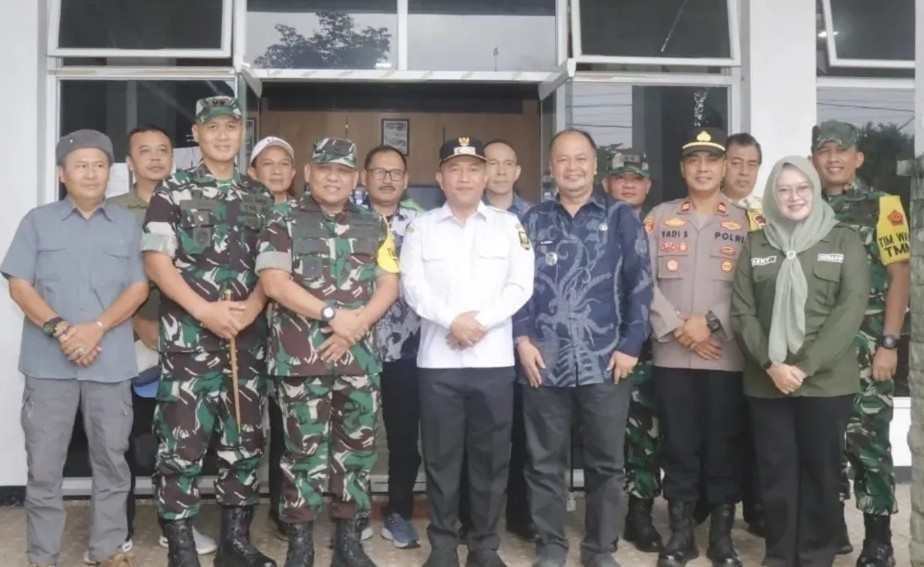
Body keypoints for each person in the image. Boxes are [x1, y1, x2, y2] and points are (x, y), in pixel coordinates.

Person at [2, 129, 149, 567]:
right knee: (44, 467)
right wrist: (63, 330)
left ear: (110, 173)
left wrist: (96, 329)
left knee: (112, 461)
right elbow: (19, 285)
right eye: (81, 165)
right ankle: (42, 556)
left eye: (99, 165)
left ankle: (107, 549)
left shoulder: (127, 225)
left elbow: (138, 288)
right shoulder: (37, 221)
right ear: (62, 174)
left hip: (110, 362)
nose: (91, 173)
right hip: (49, 364)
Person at [142, 96, 276, 567]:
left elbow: (273, 266)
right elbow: (156, 262)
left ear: (242, 134)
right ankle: (181, 547)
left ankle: (235, 544)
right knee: (181, 445)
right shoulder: (172, 190)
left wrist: (251, 309)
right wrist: (205, 311)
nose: (222, 135)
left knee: (244, 443)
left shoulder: (259, 195)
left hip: (246, 341)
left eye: (231, 127)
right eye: (212, 127)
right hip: (190, 344)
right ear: (196, 134)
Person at [257, 137, 399, 567]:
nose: (334, 178)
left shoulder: (374, 223)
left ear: (355, 179)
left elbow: (389, 283)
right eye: (325, 169)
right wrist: (333, 315)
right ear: (309, 173)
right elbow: (274, 283)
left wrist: (356, 325)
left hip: (357, 359)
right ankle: (300, 543)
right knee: (301, 455)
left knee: (356, 453)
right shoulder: (281, 219)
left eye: (343, 171)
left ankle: (348, 542)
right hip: (302, 360)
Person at [514, 129, 652, 567]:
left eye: (580, 159)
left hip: (606, 361)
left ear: (595, 166)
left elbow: (640, 284)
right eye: (563, 159)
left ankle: (599, 549)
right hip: (544, 360)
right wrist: (521, 339)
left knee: (606, 464)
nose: (571, 167)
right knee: (544, 463)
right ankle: (551, 546)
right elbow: (516, 287)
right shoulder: (532, 220)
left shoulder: (621, 217)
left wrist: (631, 344)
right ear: (550, 167)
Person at [401, 136, 534, 567]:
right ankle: (442, 546)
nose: (464, 177)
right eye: (454, 169)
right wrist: (451, 321)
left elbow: (521, 285)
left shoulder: (508, 226)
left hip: (492, 362)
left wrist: (479, 323)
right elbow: (412, 286)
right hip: (438, 364)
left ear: (486, 176)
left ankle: (484, 546)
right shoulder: (420, 228)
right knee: (441, 459)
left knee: (491, 461)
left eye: (473, 169)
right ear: (440, 178)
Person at [731, 156, 870, 566]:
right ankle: (779, 555)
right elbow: (743, 312)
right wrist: (771, 364)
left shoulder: (843, 240)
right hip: (768, 381)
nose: (794, 197)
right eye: (784, 189)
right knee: (775, 474)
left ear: (814, 189)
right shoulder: (757, 243)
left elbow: (850, 311)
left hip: (826, 382)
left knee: (821, 473)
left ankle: (815, 556)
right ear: (773, 196)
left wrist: (804, 366)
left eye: (802, 187)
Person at [104, 125, 218, 562]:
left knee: (181, 440)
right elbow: (103, 279)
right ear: (129, 162)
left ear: (175, 157)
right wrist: (137, 322)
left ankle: (177, 529)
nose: (155, 158)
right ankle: (120, 529)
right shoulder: (114, 212)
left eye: (163, 150)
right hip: (126, 338)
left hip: (186, 338)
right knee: (125, 440)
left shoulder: (191, 203)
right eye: (144, 151)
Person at [644, 128, 747, 567]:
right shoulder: (661, 216)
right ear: (683, 168)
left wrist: (708, 324)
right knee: (678, 445)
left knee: (724, 446)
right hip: (672, 353)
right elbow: (642, 280)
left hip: (724, 354)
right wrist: (678, 328)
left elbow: (753, 285)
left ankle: (722, 538)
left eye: (712, 160)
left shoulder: (746, 221)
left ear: (724, 169)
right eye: (694, 161)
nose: (702, 168)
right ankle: (681, 534)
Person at [811, 120, 911, 566]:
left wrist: (889, 342)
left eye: (842, 150)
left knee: (869, 442)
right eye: (825, 151)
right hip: (816, 350)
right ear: (813, 158)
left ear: (858, 158)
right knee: (822, 440)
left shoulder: (883, 206)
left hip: (868, 346)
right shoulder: (803, 205)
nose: (833, 158)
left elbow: (899, 275)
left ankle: (878, 538)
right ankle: (831, 529)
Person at [359, 145, 426, 549]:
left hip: (408, 349)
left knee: (403, 437)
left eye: (395, 172)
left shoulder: (423, 225)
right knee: (354, 436)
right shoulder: (346, 220)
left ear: (406, 180)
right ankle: (354, 513)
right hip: (355, 346)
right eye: (379, 171)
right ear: (364, 176)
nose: (387, 179)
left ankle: (399, 512)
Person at [602, 148, 663, 553]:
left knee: (645, 434)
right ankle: (602, 516)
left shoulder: (664, 225)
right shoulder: (595, 223)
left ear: (648, 185)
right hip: (603, 347)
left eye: (636, 178)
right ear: (606, 183)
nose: (628, 185)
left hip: (656, 348)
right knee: (604, 437)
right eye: (620, 177)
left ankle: (640, 513)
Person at [246, 135, 298, 540]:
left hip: (293, 339)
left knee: (287, 427)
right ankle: (238, 516)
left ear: (295, 173)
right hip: (244, 331)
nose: (277, 171)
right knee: (245, 426)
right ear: (252, 172)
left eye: (284, 164)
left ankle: (286, 509)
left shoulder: (306, 214)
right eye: (268, 163)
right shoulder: (240, 214)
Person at [720, 132, 767, 538]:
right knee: (722, 430)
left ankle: (757, 507)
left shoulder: (770, 214)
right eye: (736, 162)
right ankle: (713, 507)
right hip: (714, 342)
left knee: (757, 430)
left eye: (752, 164)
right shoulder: (704, 209)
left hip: (754, 343)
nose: (743, 172)